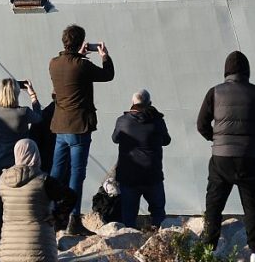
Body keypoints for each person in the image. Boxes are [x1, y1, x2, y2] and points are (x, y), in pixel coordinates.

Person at [197, 51, 255, 262]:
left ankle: (209, 251)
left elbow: (201, 124)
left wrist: (216, 140)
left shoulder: (214, 92)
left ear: (226, 71)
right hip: (247, 157)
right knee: (252, 206)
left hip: (220, 158)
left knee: (214, 204)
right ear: (247, 72)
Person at [48, 24, 114, 236]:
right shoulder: (82, 65)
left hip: (60, 126)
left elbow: (70, 73)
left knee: (56, 173)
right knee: (77, 174)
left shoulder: (54, 63)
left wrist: (79, 54)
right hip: (79, 127)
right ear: (80, 42)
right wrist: (104, 55)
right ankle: (73, 219)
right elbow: (107, 75)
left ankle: (50, 213)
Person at [0, 139, 75, 262]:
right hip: (38, 246)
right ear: (35, 154)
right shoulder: (44, 180)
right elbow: (70, 197)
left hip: (9, 248)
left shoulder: (3, 180)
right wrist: (56, 215)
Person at [0, 78, 42, 237]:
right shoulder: (24, 112)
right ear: (16, 93)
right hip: (18, 163)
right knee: (20, 202)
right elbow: (39, 117)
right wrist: (32, 95)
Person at [112, 89, 171, 229]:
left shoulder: (122, 121)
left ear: (132, 103)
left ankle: (129, 243)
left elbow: (115, 139)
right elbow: (166, 140)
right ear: (149, 103)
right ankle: (158, 241)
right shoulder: (157, 121)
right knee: (158, 212)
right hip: (152, 174)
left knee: (128, 215)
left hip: (128, 176)